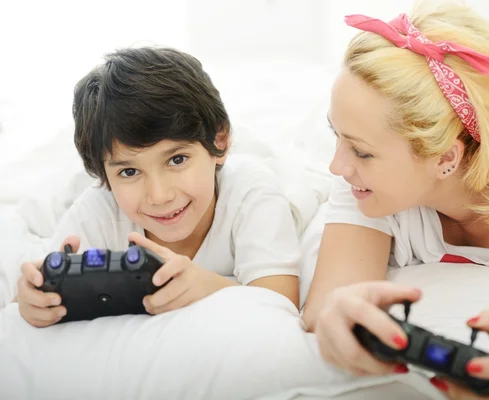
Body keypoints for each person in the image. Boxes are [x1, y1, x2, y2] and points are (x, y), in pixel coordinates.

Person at [301, 0, 489, 386]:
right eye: (335, 135)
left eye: (361, 151)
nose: (337, 166)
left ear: (446, 158)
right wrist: (335, 316)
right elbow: (330, 304)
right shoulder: (364, 187)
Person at [16, 47, 301, 327]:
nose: (160, 195)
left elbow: (280, 304)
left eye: (177, 159)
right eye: (129, 171)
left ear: (220, 141)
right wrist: (34, 302)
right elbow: (32, 300)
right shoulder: (97, 211)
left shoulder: (251, 192)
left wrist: (209, 287)